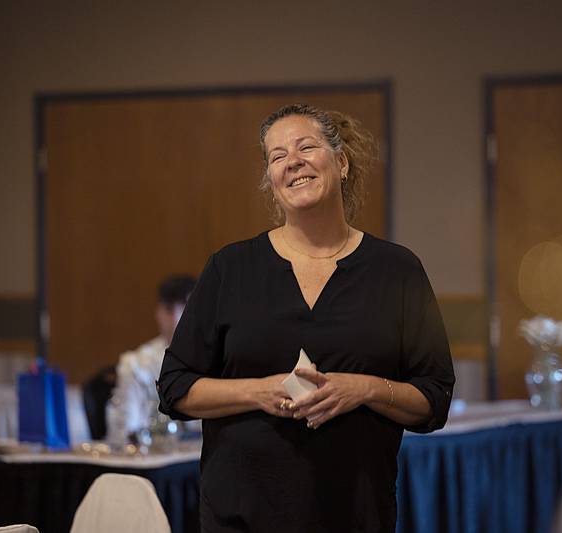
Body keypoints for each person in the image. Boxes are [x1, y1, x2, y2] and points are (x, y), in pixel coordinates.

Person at [157, 103, 454, 532]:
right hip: (239, 516)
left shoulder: (398, 270)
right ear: (271, 180)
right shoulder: (230, 268)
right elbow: (175, 387)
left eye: (306, 147)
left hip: (356, 515)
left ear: (342, 162)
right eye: (277, 156)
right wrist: (259, 392)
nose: (292, 161)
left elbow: (435, 398)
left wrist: (363, 388)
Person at [106, 274, 195, 446]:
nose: (176, 318)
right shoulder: (136, 364)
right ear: (158, 313)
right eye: (169, 309)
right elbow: (129, 436)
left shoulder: (217, 359)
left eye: (185, 307)